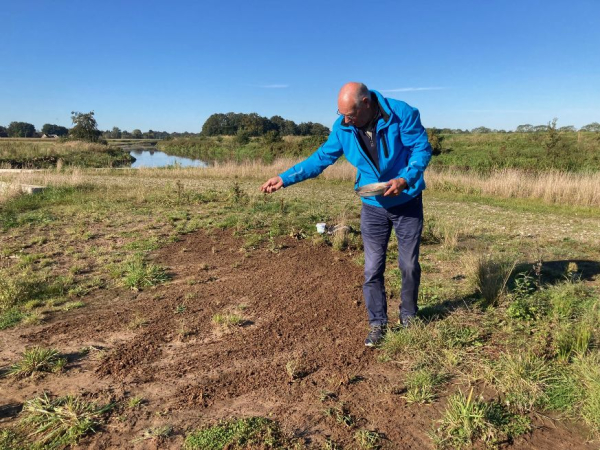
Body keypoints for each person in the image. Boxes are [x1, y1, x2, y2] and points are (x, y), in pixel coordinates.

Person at [261, 82, 432, 347]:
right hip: (373, 207)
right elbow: (321, 158)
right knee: (372, 268)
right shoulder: (343, 127)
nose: (345, 120)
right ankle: (378, 324)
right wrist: (285, 178)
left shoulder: (402, 113)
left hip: (406, 201)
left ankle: (409, 316)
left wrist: (405, 179)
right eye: (341, 114)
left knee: (408, 265)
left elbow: (421, 149)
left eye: (350, 114)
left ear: (366, 103)